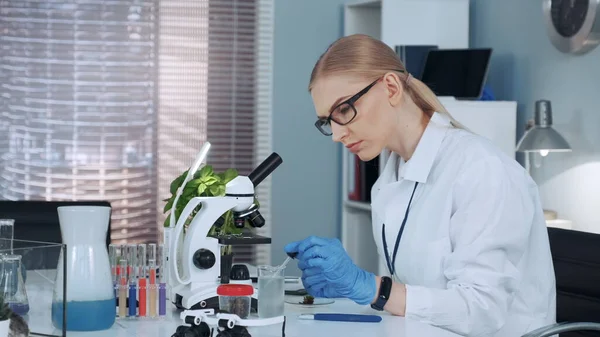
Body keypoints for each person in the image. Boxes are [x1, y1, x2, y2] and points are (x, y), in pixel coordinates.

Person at [284, 34, 556, 337]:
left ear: (391, 87)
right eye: (327, 122)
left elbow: (480, 311)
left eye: (344, 110)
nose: (336, 134)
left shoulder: (481, 170)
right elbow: (410, 300)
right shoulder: (388, 181)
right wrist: (350, 288)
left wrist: (372, 287)